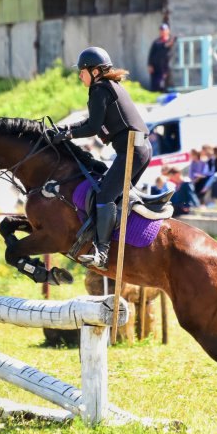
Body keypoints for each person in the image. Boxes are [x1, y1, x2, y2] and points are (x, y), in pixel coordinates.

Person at [52, 46, 152, 270]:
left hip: (132, 152)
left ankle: (103, 253)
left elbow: (93, 127)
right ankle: (120, 245)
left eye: (82, 71)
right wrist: (65, 127)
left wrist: (67, 134)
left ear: (95, 71)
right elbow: (89, 122)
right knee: (114, 196)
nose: (79, 75)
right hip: (140, 150)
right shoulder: (108, 86)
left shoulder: (99, 90)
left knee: (104, 196)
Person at [147, 23, 175, 92]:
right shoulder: (156, 42)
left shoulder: (171, 41)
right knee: (155, 83)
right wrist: (150, 65)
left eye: (164, 30)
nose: (163, 31)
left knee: (164, 83)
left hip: (165, 66)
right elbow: (151, 54)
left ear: (168, 30)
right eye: (161, 30)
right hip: (156, 66)